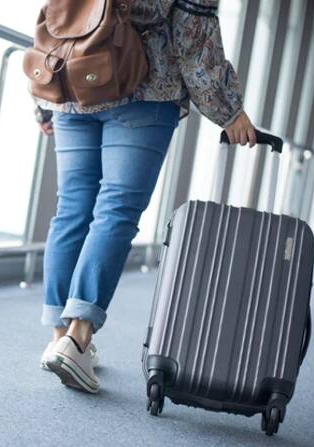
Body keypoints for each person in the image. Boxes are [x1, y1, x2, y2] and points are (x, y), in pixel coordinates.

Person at [34, 0, 257, 393]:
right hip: (144, 88)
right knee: (115, 211)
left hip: (73, 81)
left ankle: (59, 338)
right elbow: (194, 41)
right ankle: (78, 337)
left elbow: (56, 16)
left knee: (70, 211)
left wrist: (44, 98)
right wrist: (230, 111)